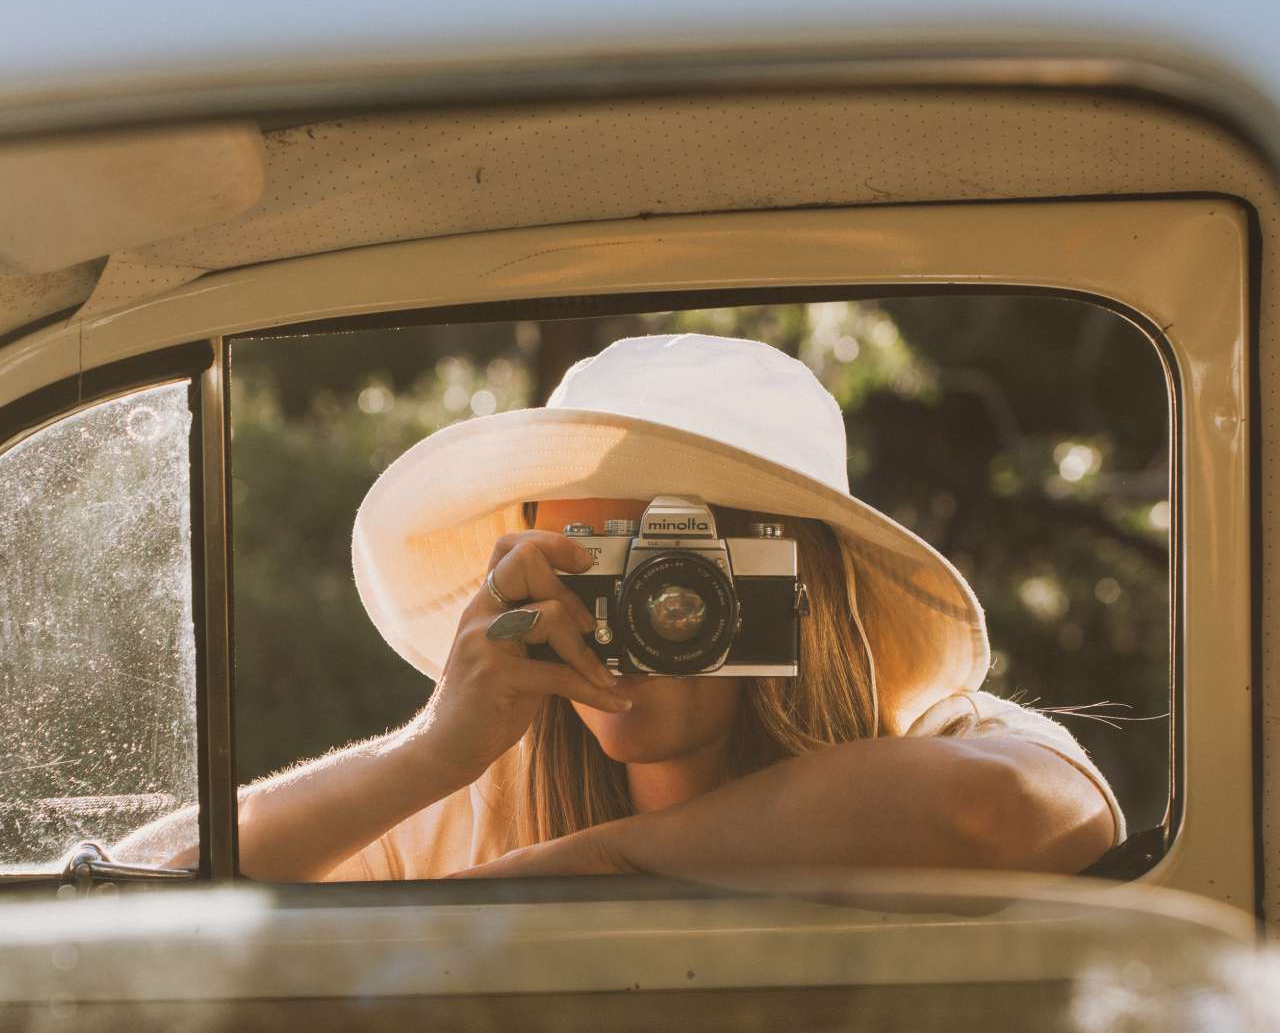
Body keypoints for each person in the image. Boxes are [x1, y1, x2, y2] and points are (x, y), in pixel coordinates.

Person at [121, 333, 1125, 883]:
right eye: (578, 562)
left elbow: (1001, 808)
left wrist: (597, 863)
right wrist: (429, 750)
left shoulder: (931, 738)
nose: (619, 601)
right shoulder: (479, 794)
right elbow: (139, 887)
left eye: (671, 562)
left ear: (797, 587)